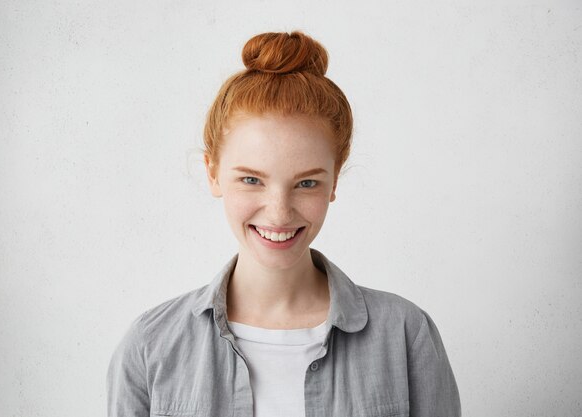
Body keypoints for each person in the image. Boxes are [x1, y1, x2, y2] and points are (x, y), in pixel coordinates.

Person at [107, 31, 461, 417]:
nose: (278, 213)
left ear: (334, 182)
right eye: (251, 179)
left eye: (306, 183)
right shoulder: (150, 347)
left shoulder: (406, 334)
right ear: (212, 173)